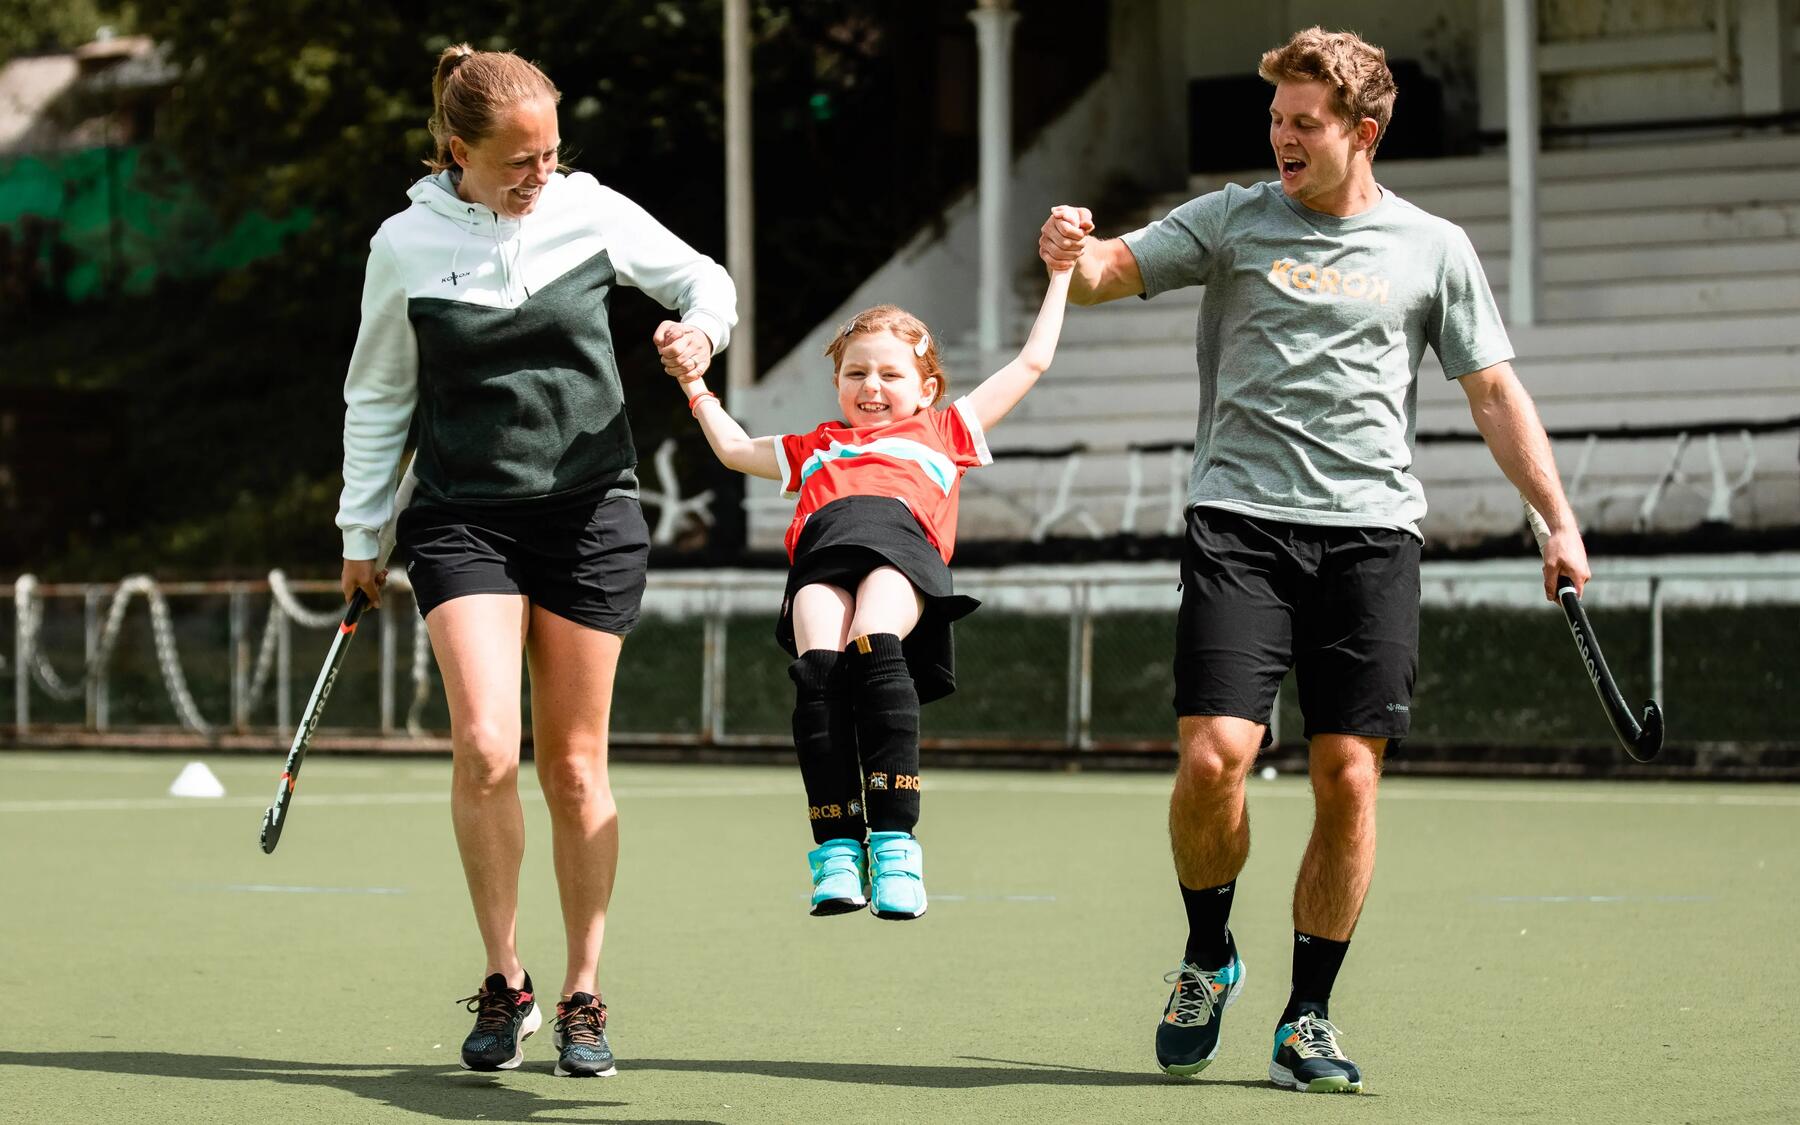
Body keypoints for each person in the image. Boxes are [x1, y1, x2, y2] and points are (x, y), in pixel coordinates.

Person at [1038, 26, 1590, 1094]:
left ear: (1362, 133)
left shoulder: (1434, 248)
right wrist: (1071, 249)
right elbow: (1108, 274)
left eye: (1305, 123)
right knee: (1214, 760)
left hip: (1373, 536)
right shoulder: (1237, 217)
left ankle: (1308, 1016)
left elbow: (1492, 391)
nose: (1282, 138)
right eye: (1277, 120)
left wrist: (1555, 521)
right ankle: (1209, 951)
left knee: (1348, 779)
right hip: (1239, 522)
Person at [334, 44, 736, 1079]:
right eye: (516, 160)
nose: (538, 175)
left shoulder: (590, 210)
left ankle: (583, 993)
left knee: (573, 763)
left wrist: (699, 332)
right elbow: (378, 396)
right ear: (455, 151)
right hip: (463, 517)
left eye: (550, 154)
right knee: (483, 744)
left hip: (589, 511)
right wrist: (359, 533)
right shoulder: (403, 245)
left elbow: (704, 280)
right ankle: (505, 981)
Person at [669, 269, 1072, 920]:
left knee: (875, 639)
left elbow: (1032, 360)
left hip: (901, 554)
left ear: (927, 387)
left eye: (890, 374)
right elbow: (736, 448)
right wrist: (693, 384)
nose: (872, 386)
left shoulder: (946, 430)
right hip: (823, 557)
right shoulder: (817, 446)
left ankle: (894, 842)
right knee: (819, 668)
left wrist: (1060, 274)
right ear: (836, 385)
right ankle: (835, 848)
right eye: (856, 374)